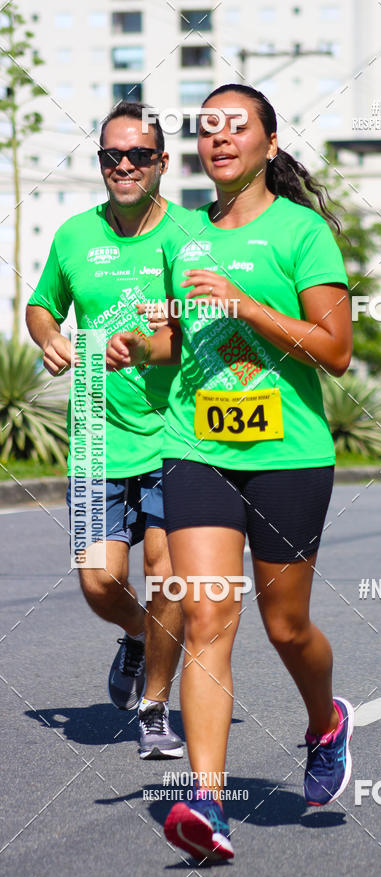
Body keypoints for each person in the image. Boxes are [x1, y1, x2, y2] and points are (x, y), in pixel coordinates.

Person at [106, 83, 354, 861]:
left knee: (286, 627)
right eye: (208, 127)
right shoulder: (180, 238)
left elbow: (335, 350)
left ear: (268, 146)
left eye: (236, 127)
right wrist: (139, 346)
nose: (219, 138)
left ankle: (326, 723)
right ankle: (204, 805)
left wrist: (246, 305)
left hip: (288, 455)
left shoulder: (301, 232)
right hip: (197, 447)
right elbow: (176, 343)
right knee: (209, 617)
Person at [26, 101, 187, 760]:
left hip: (177, 435)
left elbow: (186, 332)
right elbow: (41, 306)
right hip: (95, 437)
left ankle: (154, 708)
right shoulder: (73, 237)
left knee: (168, 578)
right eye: (111, 157)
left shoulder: (187, 236)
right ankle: (139, 636)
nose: (124, 167)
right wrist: (48, 337)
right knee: (99, 582)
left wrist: (144, 346)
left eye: (138, 156)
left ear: (161, 163)